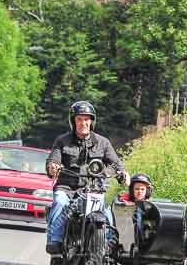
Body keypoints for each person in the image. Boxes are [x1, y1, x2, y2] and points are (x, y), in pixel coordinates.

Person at [45, 100, 130, 255]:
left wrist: (122, 174)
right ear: (73, 121)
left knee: (106, 211)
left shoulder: (103, 143)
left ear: (91, 121)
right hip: (67, 188)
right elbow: (53, 161)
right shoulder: (62, 141)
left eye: (86, 119)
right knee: (60, 202)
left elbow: (116, 165)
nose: (83, 123)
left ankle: (109, 244)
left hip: (94, 189)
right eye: (79, 119)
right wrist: (53, 166)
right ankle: (55, 241)